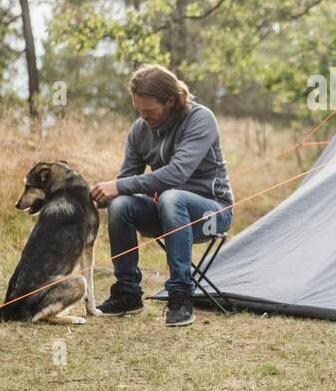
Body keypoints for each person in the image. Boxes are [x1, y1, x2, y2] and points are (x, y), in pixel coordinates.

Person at [91, 64, 234, 327]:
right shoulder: (139, 130)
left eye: (149, 111)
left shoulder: (201, 119)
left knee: (172, 197)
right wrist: (98, 197)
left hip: (212, 212)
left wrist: (118, 186)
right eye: (138, 110)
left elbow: (177, 174)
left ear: (170, 100)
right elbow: (125, 183)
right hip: (167, 213)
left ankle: (181, 295)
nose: (143, 117)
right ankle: (128, 293)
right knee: (121, 204)